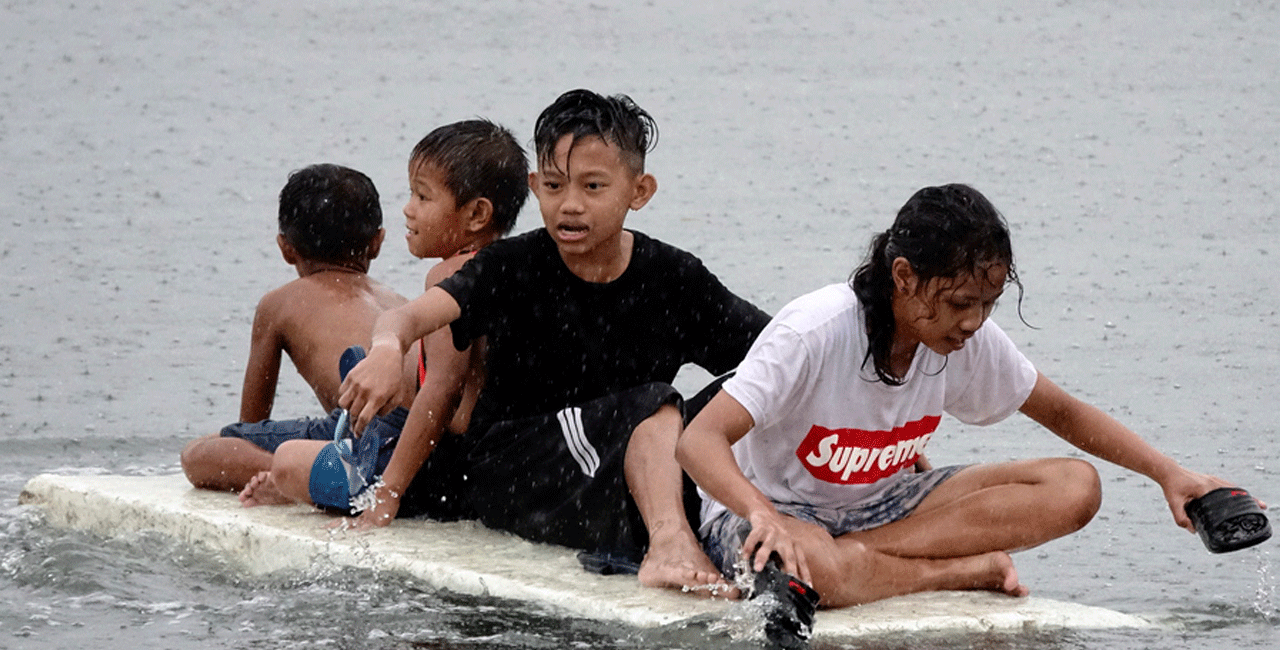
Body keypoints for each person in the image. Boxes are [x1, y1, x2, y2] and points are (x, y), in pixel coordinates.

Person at [675, 183, 1257, 608]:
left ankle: (865, 560)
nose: (975, 322)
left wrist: (1169, 475)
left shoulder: (962, 339)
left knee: (1076, 486)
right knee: (805, 571)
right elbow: (698, 442)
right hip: (776, 512)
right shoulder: (816, 330)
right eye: (961, 303)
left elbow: (1063, 412)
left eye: (989, 303)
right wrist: (761, 515)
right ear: (903, 277)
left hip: (885, 504)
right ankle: (948, 572)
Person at [338, 89, 772, 591]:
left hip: (626, 461)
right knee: (655, 404)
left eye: (592, 186)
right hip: (519, 471)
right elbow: (405, 320)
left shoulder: (675, 277)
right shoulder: (512, 267)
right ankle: (670, 543)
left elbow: (779, 356)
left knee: (754, 385)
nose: (570, 205)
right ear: (533, 185)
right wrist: (387, 351)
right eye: (554, 185)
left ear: (640, 191)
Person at [237, 119, 529, 516]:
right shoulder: (516, 268)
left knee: (286, 461)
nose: (408, 210)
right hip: (489, 464)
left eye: (423, 198)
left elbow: (440, 392)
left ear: (477, 214)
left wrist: (388, 492)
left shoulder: (448, 277)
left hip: (443, 470)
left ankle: (303, 484)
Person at [180, 163, 417, 494]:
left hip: (362, 437)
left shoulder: (279, 303)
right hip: (416, 439)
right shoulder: (398, 302)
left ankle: (304, 473)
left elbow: (249, 424)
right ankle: (326, 466)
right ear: (377, 242)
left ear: (285, 248)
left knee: (200, 453)